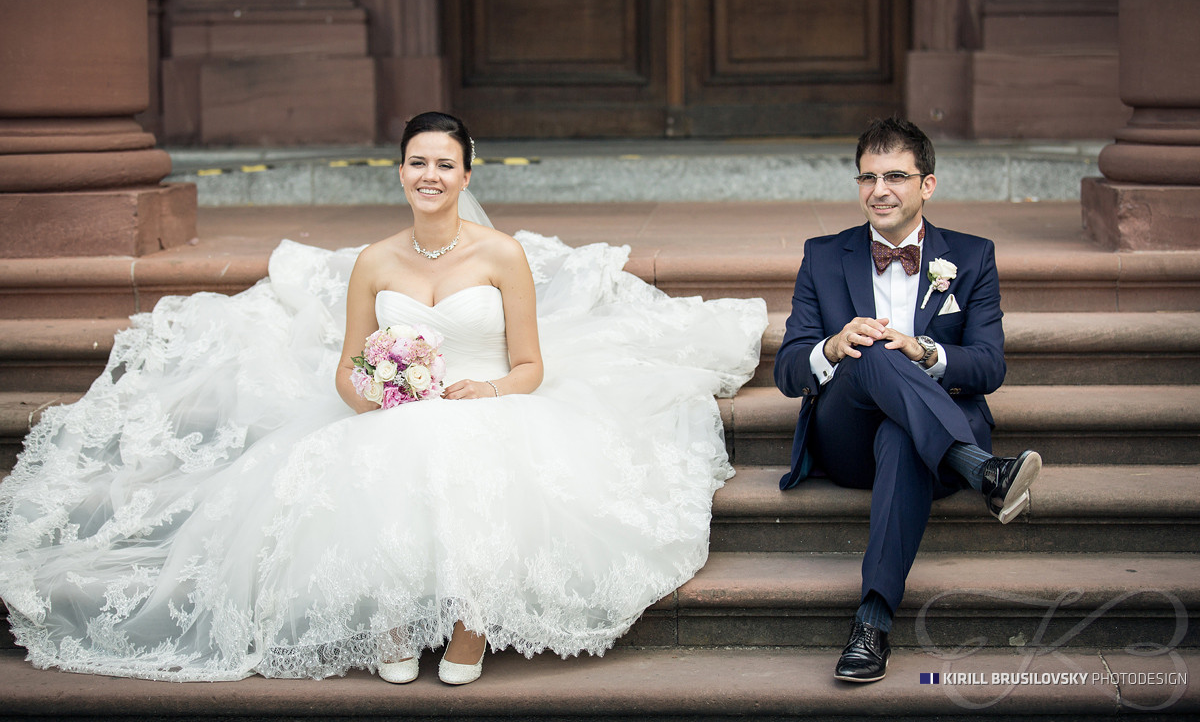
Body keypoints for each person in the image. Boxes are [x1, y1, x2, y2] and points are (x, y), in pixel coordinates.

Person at [0, 112, 768, 685]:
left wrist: (487, 389)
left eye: (444, 164)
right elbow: (344, 367)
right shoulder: (373, 261)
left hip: (485, 399)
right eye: (415, 163)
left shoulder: (503, 256)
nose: (428, 175)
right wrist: (370, 396)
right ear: (399, 172)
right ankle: (393, 620)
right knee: (375, 453)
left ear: (468, 175)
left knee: (467, 452)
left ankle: (471, 622)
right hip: (397, 405)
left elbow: (531, 364)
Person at [773, 116, 1041, 684]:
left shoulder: (971, 257)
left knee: (902, 432)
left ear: (928, 185)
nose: (879, 191)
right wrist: (835, 344)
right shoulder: (823, 255)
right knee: (868, 344)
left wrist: (924, 351)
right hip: (847, 439)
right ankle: (980, 469)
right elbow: (787, 368)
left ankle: (872, 623)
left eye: (895, 176)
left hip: (916, 439)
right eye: (867, 178)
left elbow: (990, 365)